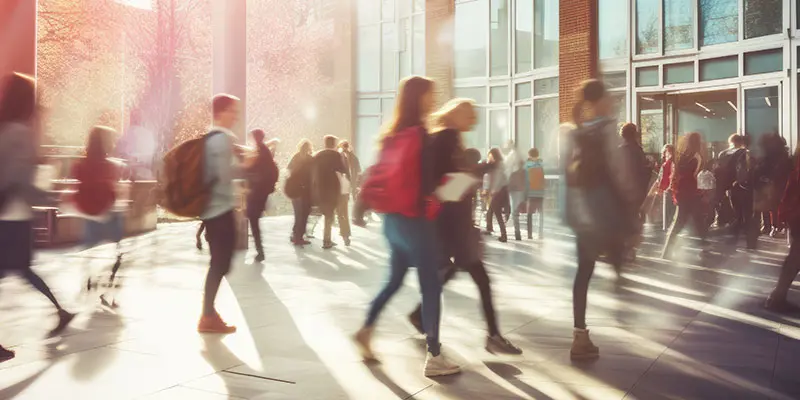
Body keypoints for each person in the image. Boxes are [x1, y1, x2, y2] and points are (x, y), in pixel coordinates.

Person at [353, 75, 460, 377]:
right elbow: (427, 184)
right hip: (416, 222)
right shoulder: (421, 135)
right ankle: (435, 356)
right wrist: (449, 190)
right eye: (430, 94)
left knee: (395, 280)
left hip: (392, 222)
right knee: (431, 286)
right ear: (420, 98)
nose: (434, 98)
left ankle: (366, 329)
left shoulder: (391, 134)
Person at [406, 98, 521, 355]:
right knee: (479, 279)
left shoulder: (447, 138)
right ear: (456, 115)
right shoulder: (446, 138)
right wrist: (483, 170)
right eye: (469, 114)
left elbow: (450, 179)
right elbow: (448, 185)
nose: (474, 119)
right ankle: (491, 336)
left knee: (452, 274)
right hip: (452, 226)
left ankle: (419, 315)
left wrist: (477, 171)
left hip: (450, 225)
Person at [562, 79, 638, 360]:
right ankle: (619, 276)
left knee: (583, 271)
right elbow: (619, 175)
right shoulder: (606, 131)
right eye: (609, 97)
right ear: (601, 100)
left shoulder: (571, 132)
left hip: (583, 214)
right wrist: (631, 213)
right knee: (609, 257)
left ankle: (579, 335)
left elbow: (566, 175)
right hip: (605, 213)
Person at [0, 73, 75, 341]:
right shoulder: (21, 133)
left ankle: (60, 311)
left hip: (8, 215)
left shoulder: (6, 129)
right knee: (22, 269)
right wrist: (47, 199)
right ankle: (60, 311)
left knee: (21, 270)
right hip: (14, 216)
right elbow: (22, 177)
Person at [197, 93, 243, 334]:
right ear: (222, 112)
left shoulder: (210, 137)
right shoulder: (222, 139)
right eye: (233, 110)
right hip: (220, 209)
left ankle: (208, 314)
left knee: (220, 263)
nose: (236, 115)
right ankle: (207, 315)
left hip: (211, 208)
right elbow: (225, 175)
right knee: (220, 264)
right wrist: (248, 166)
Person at [71, 125, 126, 308]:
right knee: (117, 256)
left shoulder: (81, 164)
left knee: (90, 254)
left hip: (90, 216)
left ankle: (90, 283)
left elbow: (78, 186)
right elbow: (113, 192)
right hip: (109, 216)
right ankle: (107, 291)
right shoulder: (109, 166)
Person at [661, 132, 708, 259]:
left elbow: (675, 173)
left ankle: (667, 251)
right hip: (693, 192)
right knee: (696, 222)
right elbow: (696, 175)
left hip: (681, 192)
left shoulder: (682, 157)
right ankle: (704, 249)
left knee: (682, 221)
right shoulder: (697, 157)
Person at [766, 146, 800, 313]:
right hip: (797, 214)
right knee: (795, 257)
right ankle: (776, 298)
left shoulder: (795, 164)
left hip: (795, 214)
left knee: (795, 257)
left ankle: (777, 298)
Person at [244, 129, 279, 263]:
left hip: (258, 192)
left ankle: (260, 251)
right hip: (259, 192)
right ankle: (259, 250)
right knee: (253, 220)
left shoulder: (261, 151)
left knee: (253, 220)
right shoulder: (262, 150)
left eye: (253, 137)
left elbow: (255, 169)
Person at [311, 135, 349, 248]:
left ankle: (326, 239)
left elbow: (312, 172)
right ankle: (332, 239)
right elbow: (343, 170)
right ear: (333, 144)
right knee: (335, 213)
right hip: (333, 188)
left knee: (327, 214)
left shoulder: (317, 155)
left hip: (320, 189)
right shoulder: (336, 155)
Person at [286, 139, 314, 246]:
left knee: (298, 214)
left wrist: (293, 180)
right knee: (303, 215)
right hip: (305, 190)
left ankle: (295, 235)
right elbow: (313, 176)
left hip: (294, 190)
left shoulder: (296, 157)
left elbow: (288, 171)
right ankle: (298, 237)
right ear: (309, 148)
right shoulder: (310, 159)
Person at [485, 148, 509, 242]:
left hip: (500, 191)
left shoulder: (499, 165)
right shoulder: (501, 164)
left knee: (497, 212)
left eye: (490, 155)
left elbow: (498, 179)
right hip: (503, 190)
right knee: (491, 209)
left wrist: (494, 190)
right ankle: (490, 228)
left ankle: (504, 235)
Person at [506, 141, 527, 241]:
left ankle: (517, 233)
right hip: (520, 192)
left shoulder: (514, 173)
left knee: (514, 213)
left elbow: (510, 184)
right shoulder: (524, 172)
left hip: (515, 192)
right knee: (516, 213)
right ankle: (517, 232)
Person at [525, 148, 545, 240]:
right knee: (541, 214)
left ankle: (530, 234)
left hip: (531, 192)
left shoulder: (527, 165)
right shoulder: (541, 164)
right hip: (541, 192)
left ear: (530, 155)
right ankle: (540, 233)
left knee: (529, 214)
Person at [658, 144, 676, 231]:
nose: (667, 153)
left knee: (668, 208)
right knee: (669, 208)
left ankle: (668, 226)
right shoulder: (669, 162)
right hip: (668, 188)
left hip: (669, 188)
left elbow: (669, 176)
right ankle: (668, 226)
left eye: (669, 151)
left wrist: (666, 187)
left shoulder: (670, 163)